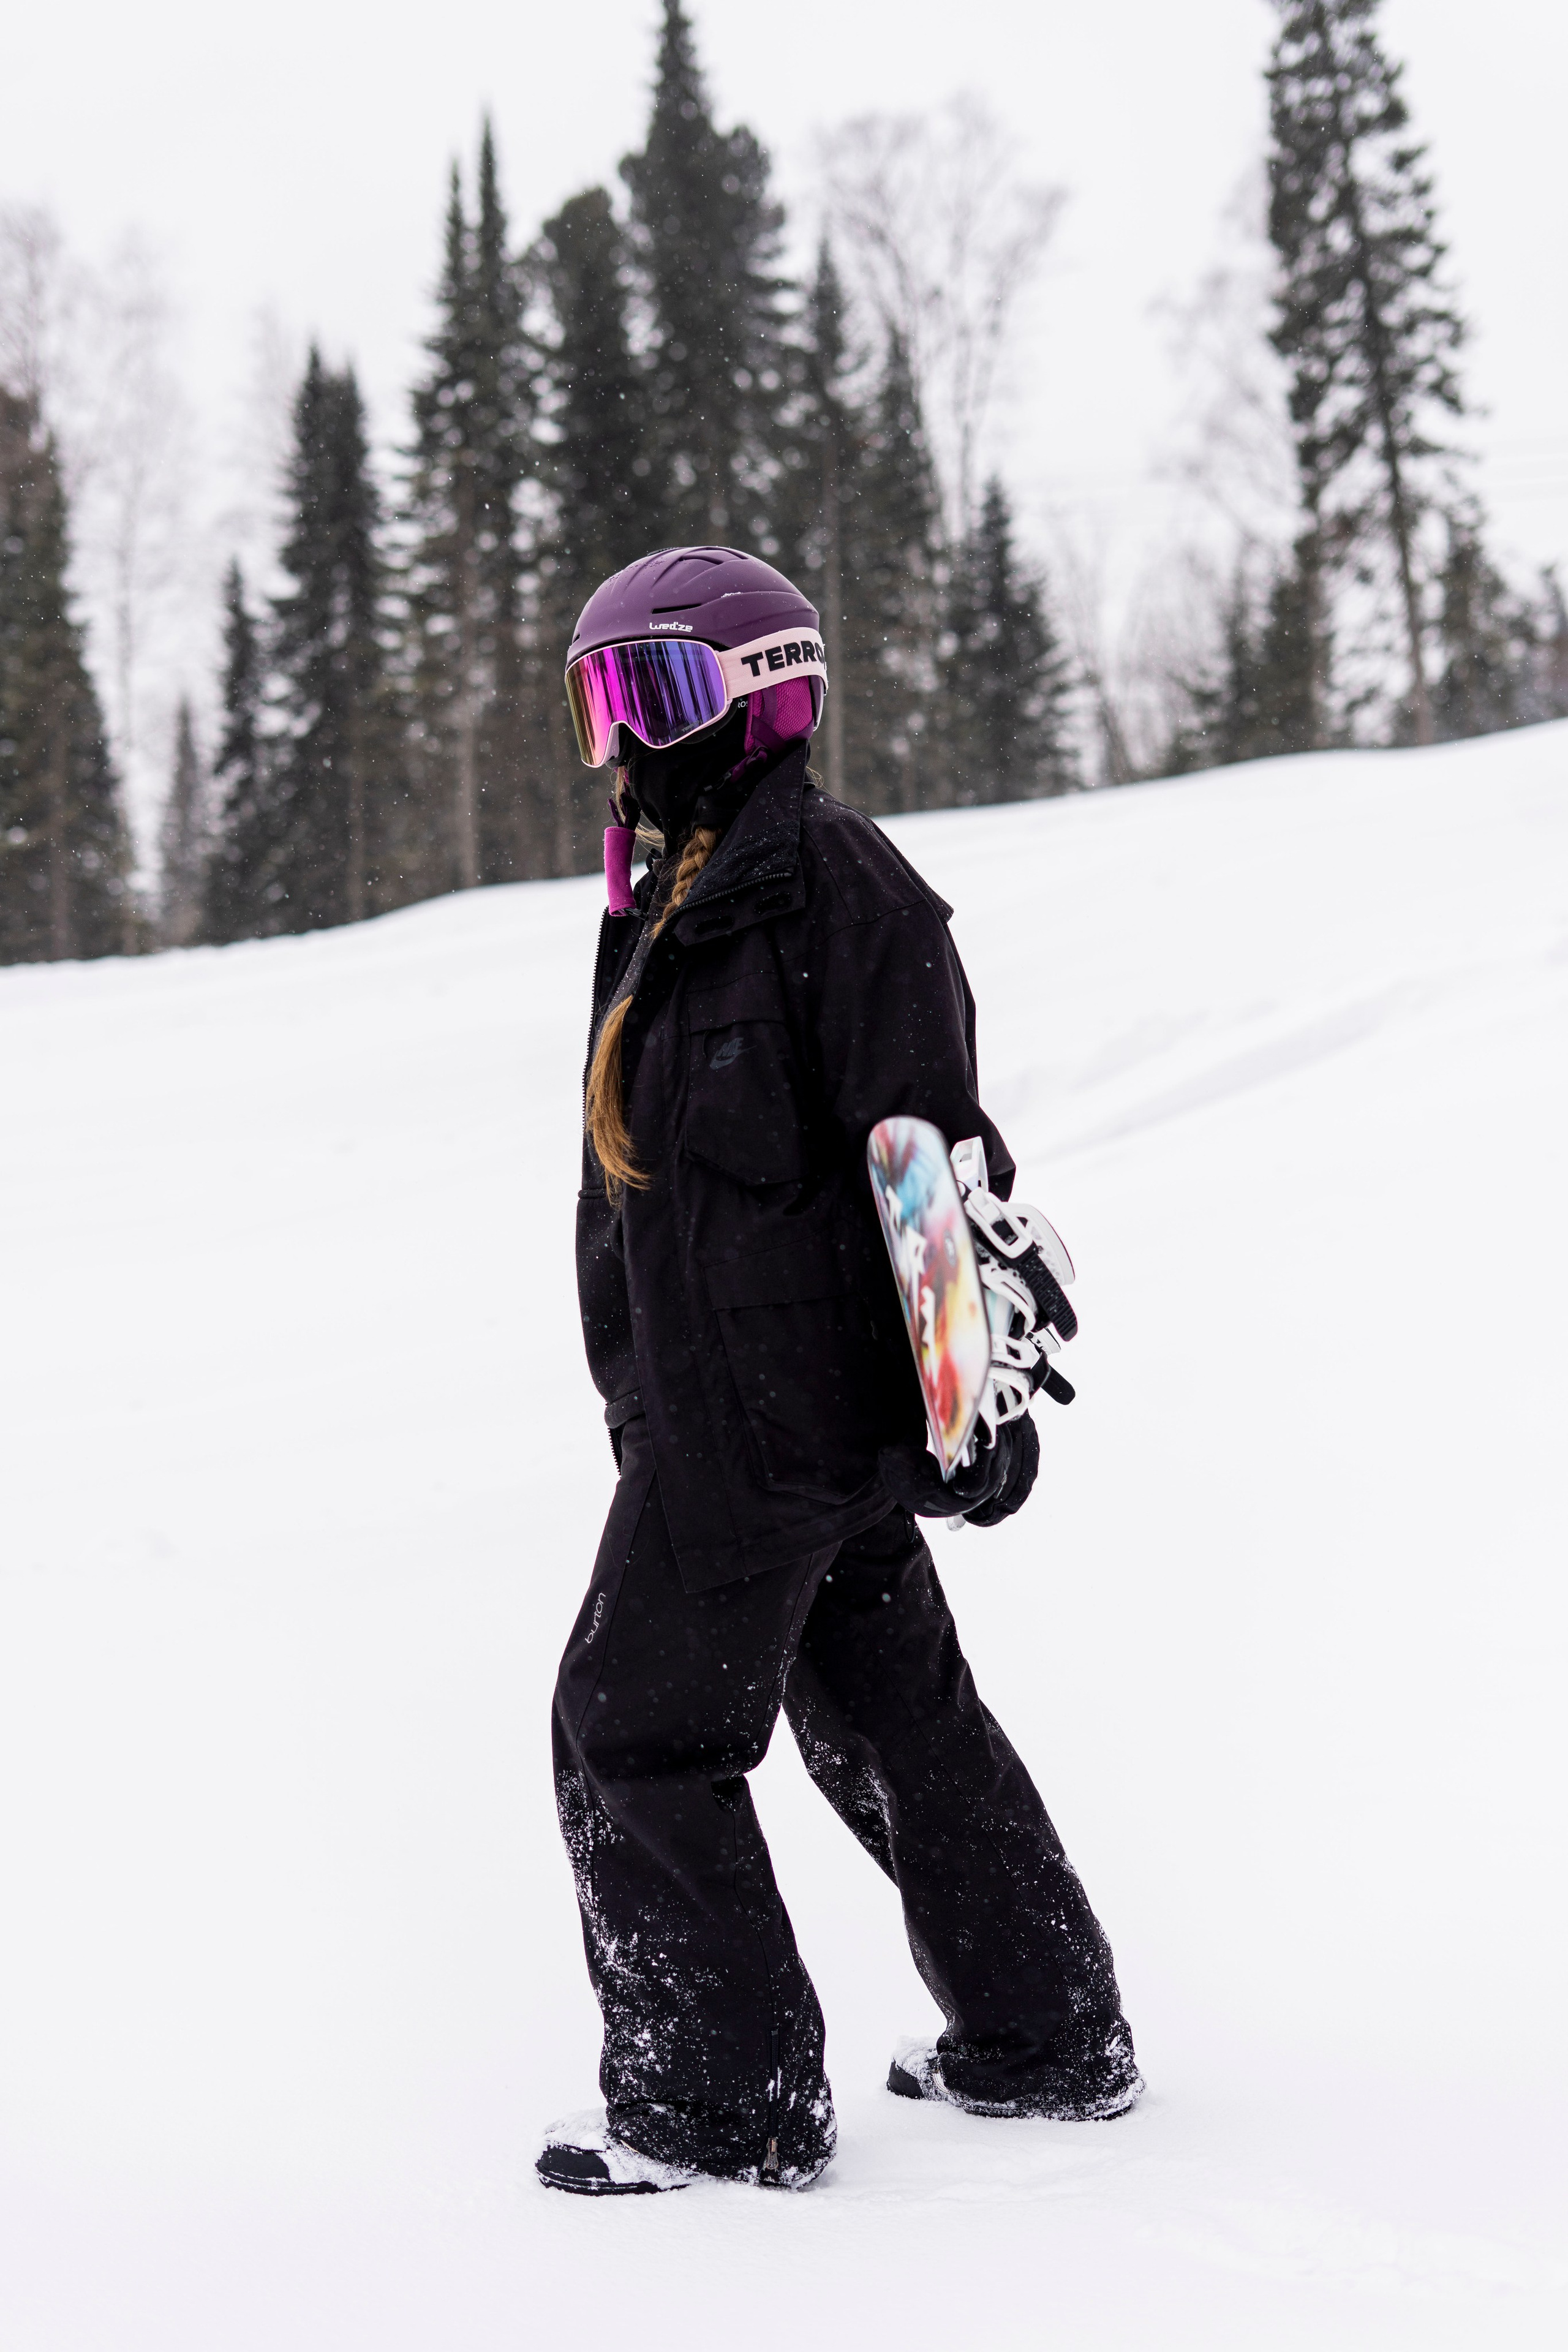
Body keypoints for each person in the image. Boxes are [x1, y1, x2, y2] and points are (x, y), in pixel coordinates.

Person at [538, 547, 1140, 2196]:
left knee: (629, 1730)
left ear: (761, 698)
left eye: (653, 695)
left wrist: (974, 1400)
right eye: (604, 701)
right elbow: (643, 1198)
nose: (627, 742)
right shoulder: (676, 908)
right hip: (753, 1421)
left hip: (764, 1440)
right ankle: (1045, 2037)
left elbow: (926, 1166)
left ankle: (720, 2111)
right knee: (896, 1723)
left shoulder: (834, 893)